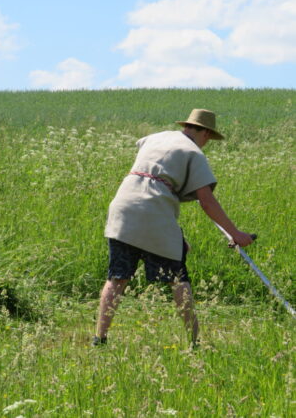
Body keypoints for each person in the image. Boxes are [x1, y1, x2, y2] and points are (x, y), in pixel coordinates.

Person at [93, 109, 254, 348]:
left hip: (123, 207)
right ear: (206, 133)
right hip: (152, 210)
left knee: (118, 277)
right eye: (209, 138)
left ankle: (99, 339)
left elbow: (154, 183)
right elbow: (206, 201)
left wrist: (176, 238)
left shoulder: (155, 138)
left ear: (187, 126)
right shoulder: (194, 152)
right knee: (178, 279)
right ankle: (195, 342)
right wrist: (236, 234)